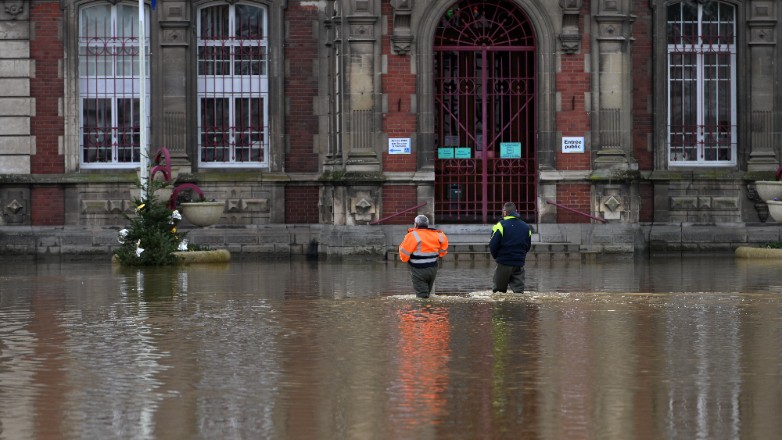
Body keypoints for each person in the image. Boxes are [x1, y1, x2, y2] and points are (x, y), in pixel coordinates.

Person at [398, 214, 449, 298]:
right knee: (427, 293)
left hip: (418, 269)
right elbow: (443, 251)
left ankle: (423, 310)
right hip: (433, 268)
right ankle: (429, 310)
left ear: (416, 224)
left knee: (422, 297)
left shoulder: (412, 235)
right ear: (427, 224)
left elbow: (404, 254)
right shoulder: (439, 234)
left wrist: (405, 259)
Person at [489, 202, 532, 293]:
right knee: (519, 293)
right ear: (516, 211)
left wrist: (498, 257)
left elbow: (493, 245)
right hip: (519, 263)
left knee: (498, 293)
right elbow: (528, 245)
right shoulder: (526, 226)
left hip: (504, 262)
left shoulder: (500, 225)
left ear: (504, 212)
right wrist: (520, 256)